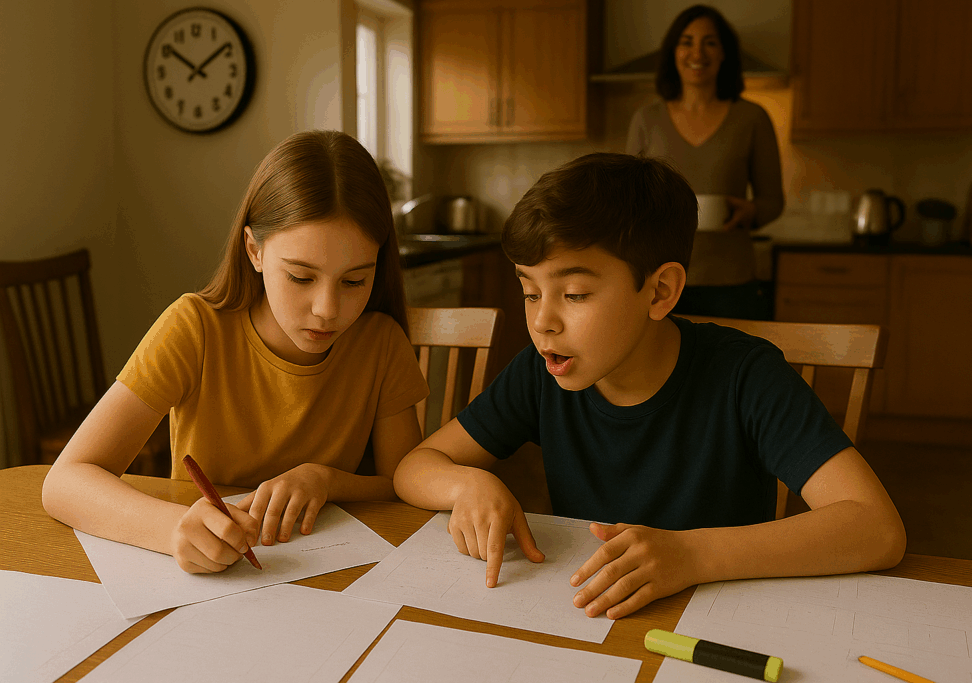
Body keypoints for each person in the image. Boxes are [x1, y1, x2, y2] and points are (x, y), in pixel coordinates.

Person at [393, 153, 905, 620]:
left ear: (660, 291)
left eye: (573, 293)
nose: (542, 321)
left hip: (724, 614)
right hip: (599, 612)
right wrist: (468, 483)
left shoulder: (746, 376)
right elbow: (415, 467)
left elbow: (875, 527)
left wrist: (692, 554)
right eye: (529, 292)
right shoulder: (540, 371)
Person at [42, 130, 428, 574]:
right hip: (208, 578)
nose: (327, 310)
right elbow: (64, 482)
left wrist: (325, 479)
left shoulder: (380, 343)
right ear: (254, 250)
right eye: (301, 278)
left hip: (334, 578)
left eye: (355, 281)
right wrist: (172, 529)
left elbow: (405, 486)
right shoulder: (195, 329)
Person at [626, 4, 784, 320]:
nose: (697, 51)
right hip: (661, 283)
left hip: (731, 281)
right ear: (673, 52)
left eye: (710, 42)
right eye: (686, 41)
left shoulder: (752, 118)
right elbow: (628, 201)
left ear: (724, 53)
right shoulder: (647, 119)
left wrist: (750, 211)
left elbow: (773, 202)